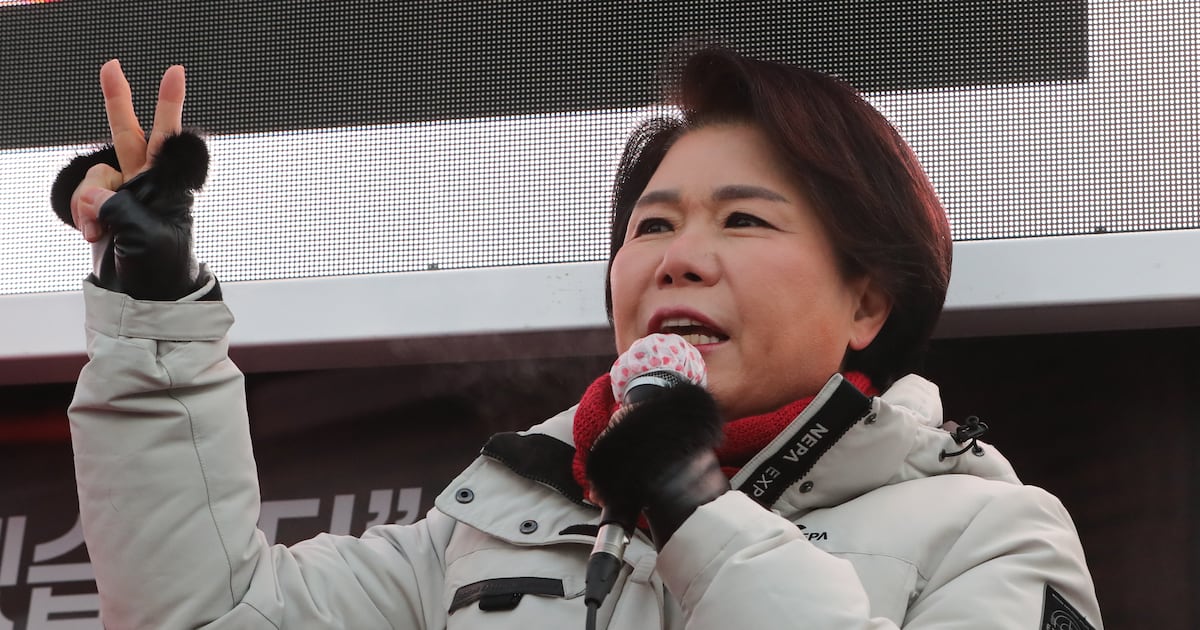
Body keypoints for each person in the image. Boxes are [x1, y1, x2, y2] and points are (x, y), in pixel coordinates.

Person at [54, 49, 1103, 629]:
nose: (678, 259)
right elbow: (208, 614)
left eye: (744, 220)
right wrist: (154, 301)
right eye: (652, 226)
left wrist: (696, 513)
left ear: (867, 304)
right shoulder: (487, 527)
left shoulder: (992, 533)